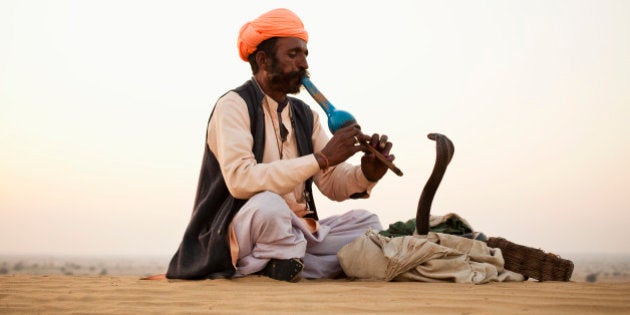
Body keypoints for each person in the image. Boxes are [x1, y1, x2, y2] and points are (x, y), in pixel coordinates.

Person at [166, 8, 395, 282]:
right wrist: (321, 158)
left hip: (297, 230)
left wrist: (366, 174)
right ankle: (281, 260)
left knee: (367, 223)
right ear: (263, 60)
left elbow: (331, 181)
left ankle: (284, 261)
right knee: (269, 206)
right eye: (293, 54)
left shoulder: (304, 115)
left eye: (305, 54)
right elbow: (241, 180)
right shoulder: (234, 106)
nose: (303, 64)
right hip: (244, 227)